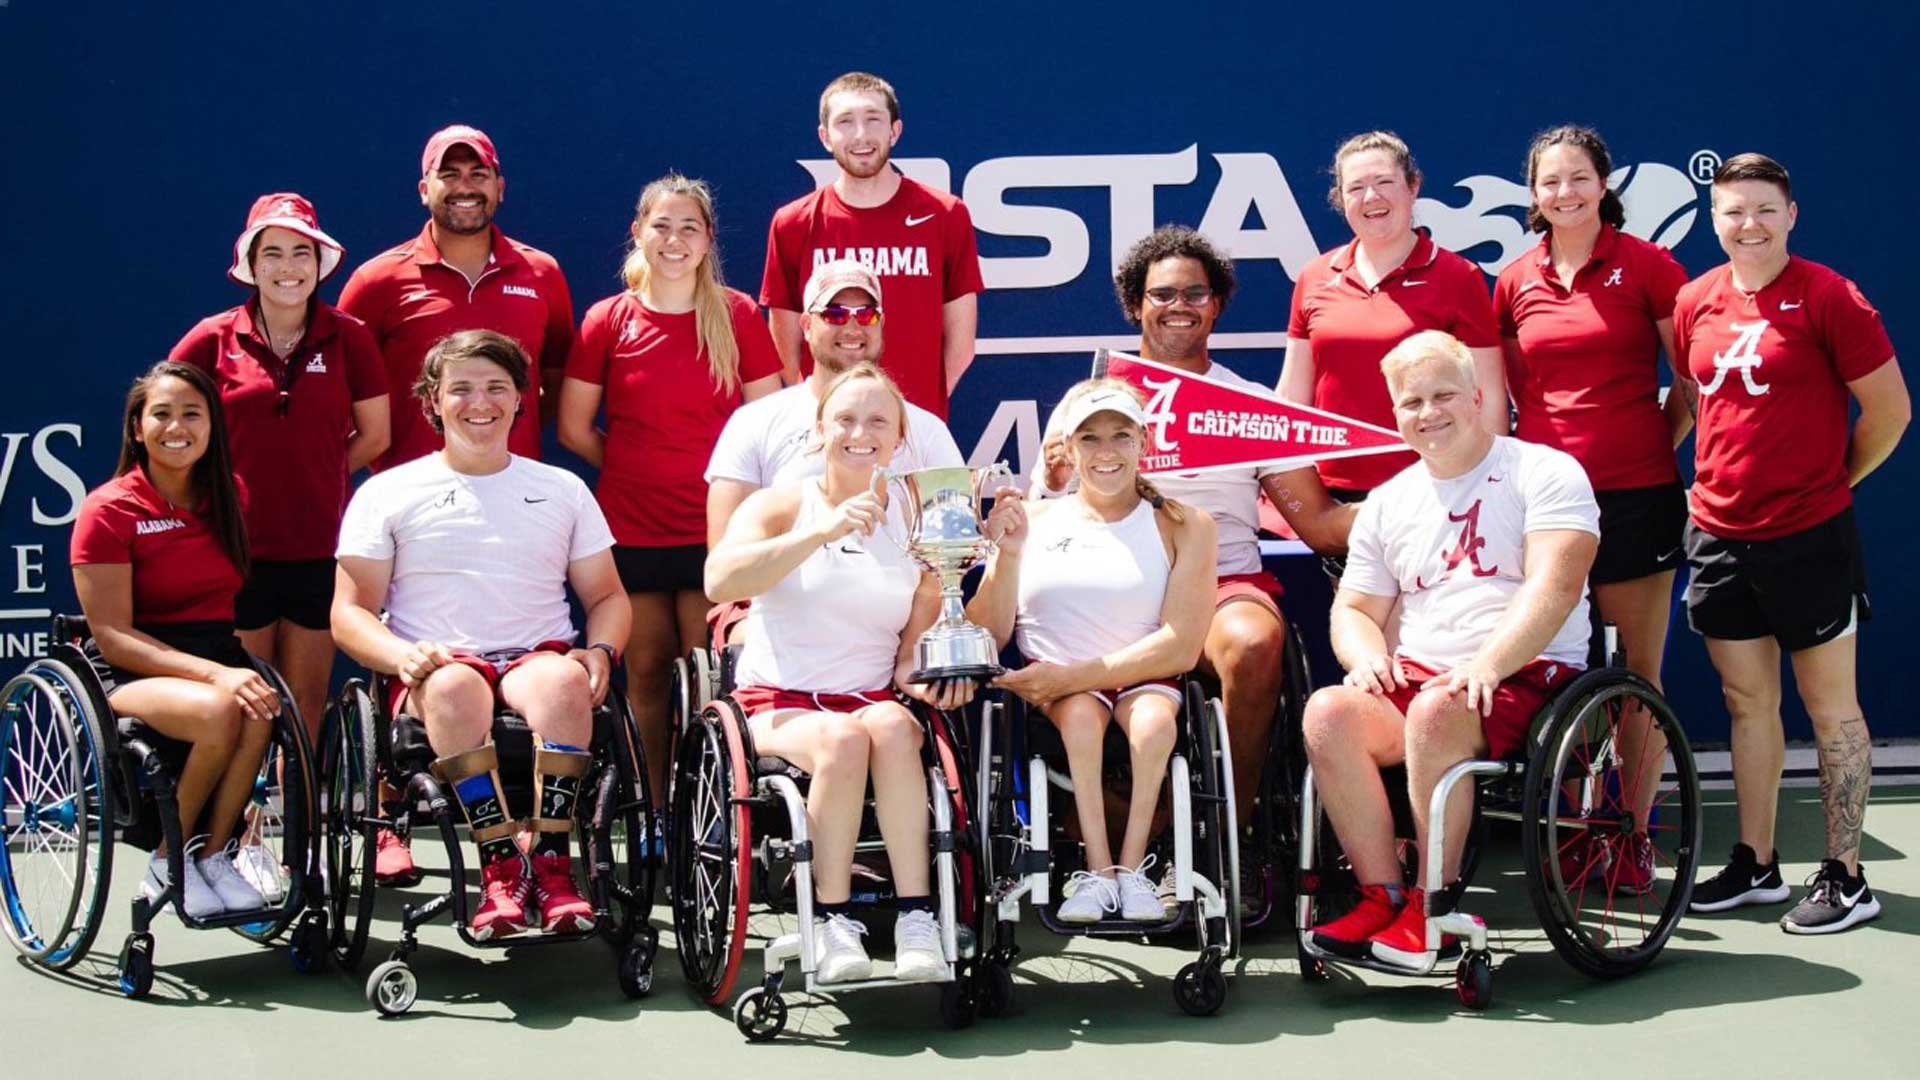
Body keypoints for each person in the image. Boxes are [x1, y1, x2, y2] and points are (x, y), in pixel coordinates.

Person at [1030, 227, 1357, 845]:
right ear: (1135, 304)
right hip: (1112, 589)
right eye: (1161, 294)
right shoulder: (1086, 405)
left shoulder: (1251, 405)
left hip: (1219, 584)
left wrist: (1417, 497)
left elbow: (1317, 523)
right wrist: (1050, 481)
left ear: (1217, 303)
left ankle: (1230, 831)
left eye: (1194, 293)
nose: (1178, 305)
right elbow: (1037, 521)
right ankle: (1120, 813)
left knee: (1256, 643)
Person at [1301, 331, 1599, 971]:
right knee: (1328, 713)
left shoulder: (1545, 471)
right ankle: (1381, 895)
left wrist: (1488, 664)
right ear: (1395, 413)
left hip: (1527, 675)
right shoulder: (1388, 501)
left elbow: (1557, 584)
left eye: (1443, 396)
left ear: (1478, 396)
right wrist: (1362, 658)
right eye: (1412, 403)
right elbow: (1354, 609)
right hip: (1424, 677)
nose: (1428, 413)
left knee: (1438, 708)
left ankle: (1431, 910)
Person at [331, 330, 632, 940]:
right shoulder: (387, 492)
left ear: (522, 400)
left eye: (497, 388)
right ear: (432, 402)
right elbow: (349, 612)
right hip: (437, 669)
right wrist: (399, 654)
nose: (480, 403)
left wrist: (601, 649)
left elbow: (606, 596)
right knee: (453, 689)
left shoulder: (563, 489)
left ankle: (552, 864)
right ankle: (498, 864)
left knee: (562, 683)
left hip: (535, 658)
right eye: (461, 389)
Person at [1674, 153, 1907, 934]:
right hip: (1717, 532)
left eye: (1765, 210)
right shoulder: (1694, 300)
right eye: (1734, 212)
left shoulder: (1830, 297)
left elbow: (1890, 413)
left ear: (1792, 215)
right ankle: (1757, 862)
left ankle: (1846, 876)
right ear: (1715, 220)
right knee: (1747, 702)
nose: (1750, 225)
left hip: (1810, 535)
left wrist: (1834, 481)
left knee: (1830, 708)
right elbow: (1689, 396)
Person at [705, 362, 975, 983]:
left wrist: (928, 675)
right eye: (846, 419)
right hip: (778, 701)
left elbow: (915, 634)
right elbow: (719, 580)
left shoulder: (917, 514)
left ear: (900, 436)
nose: (861, 432)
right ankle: (830, 920)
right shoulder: (780, 504)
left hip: (871, 696)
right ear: (819, 429)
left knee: (894, 728)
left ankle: (916, 917)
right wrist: (820, 531)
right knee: (844, 737)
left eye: (878, 420)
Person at [168, 194, 389, 902]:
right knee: (248, 713)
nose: (288, 268)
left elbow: (374, 436)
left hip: (321, 555)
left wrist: (320, 476)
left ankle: (301, 853)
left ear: (319, 262)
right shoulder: (211, 340)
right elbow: (171, 426)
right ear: (250, 265)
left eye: (301, 253)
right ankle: (226, 851)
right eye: (273, 254)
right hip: (234, 559)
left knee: (307, 712)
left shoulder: (348, 335)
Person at [1492, 127, 1690, 890]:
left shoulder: (1650, 267)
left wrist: (1651, 444)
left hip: (1639, 495)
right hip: (1545, 505)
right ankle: (1574, 826)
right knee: (1561, 667)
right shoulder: (1513, 281)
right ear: (1534, 195)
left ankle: (1632, 834)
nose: (1565, 192)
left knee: (1638, 672)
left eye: (1579, 178)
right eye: (1550, 182)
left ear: (1603, 184)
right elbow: (1513, 394)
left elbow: (1693, 381)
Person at [559, 175, 782, 812]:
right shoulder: (607, 320)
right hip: (631, 534)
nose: (675, 240)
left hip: (718, 536)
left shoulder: (738, 315)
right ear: (639, 232)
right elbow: (575, 428)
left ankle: (709, 813)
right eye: (662, 226)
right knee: (649, 674)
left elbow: (767, 427)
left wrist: (717, 487)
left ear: (709, 239)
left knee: (710, 679)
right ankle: (653, 811)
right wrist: (633, 466)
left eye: (689, 228)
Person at [969, 380, 1217, 924]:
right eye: (1090, 439)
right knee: (1081, 718)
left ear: (1144, 443)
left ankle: (1133, 875)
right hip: (1058, 694)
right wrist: (1006, 557)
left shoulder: (1186, 524)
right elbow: (988, 631)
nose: (1106, 452)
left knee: (1154, 726)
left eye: (1121, 436)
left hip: (1145, 679)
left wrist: (1073, 675)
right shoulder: (1034, 519)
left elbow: (1182, 645)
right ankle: (1097, 872)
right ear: (1067, 450)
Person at [71, 362, 280, 919]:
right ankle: (169, 859)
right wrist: (217, 674)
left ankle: (214, 857)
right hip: (129, 670)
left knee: (260, 711)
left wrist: (223, 669)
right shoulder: (108, 508)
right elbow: (112, 636)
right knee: (220, 709)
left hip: (212, 654)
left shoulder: (231, 494)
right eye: (161, 414)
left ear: (212, 425)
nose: (177, 426)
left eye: (193, 413)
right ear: (137, 427)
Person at [1278, 131, 1504, 574]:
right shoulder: (1314, 277)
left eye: (1384, 182)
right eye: (1355, 188)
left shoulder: (1460, 277)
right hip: (1340, 504)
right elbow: (1291, 397)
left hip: (1440, 493)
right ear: (1340, 199)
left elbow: (1489, 398)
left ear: (1413, 186)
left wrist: (1484, 489)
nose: (1371, 197)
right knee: (1361, 634)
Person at [705, 259, 964, 645]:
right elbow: (728, 555)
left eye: (867, 314)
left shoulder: (927, 429)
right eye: (835, 313)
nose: (853, 326)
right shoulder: (755, 421)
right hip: (776, 608)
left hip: (900, 605)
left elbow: (954, 544)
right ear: (807, 326)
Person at [339, 124, 574, 471]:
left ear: (500, 188)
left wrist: (495, 425)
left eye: (478, 174)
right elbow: (337, 390)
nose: (465, 186)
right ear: (423, 189)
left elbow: (556, 385)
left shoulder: (543, 274)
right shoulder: (375, 281)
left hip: (515, 492)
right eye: (449, 175)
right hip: (411, 498)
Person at [759, 72, 983, 418]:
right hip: (827, 431)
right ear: (825, 137)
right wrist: (825, 413)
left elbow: (961, 344)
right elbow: (785, 348)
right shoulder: (793, 223)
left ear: (895, 130)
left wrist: (914, 417)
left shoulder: (945, 215)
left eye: (873, 120)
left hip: (914, 429)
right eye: (845, 122)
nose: (861, 135)